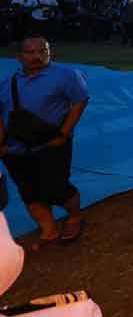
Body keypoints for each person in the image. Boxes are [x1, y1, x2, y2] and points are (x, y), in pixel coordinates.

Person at [0, 37, 88, 248]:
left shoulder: (66, 76)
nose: (37, 56)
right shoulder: (6, 82)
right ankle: (48, 231)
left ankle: (75, 217)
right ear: (19, 56)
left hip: (51, 144)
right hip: (16, 148)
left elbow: (80, 100)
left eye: (43, 51)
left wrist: (64, 134)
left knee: (57, 187)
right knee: (28, 191)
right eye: (30, 52)